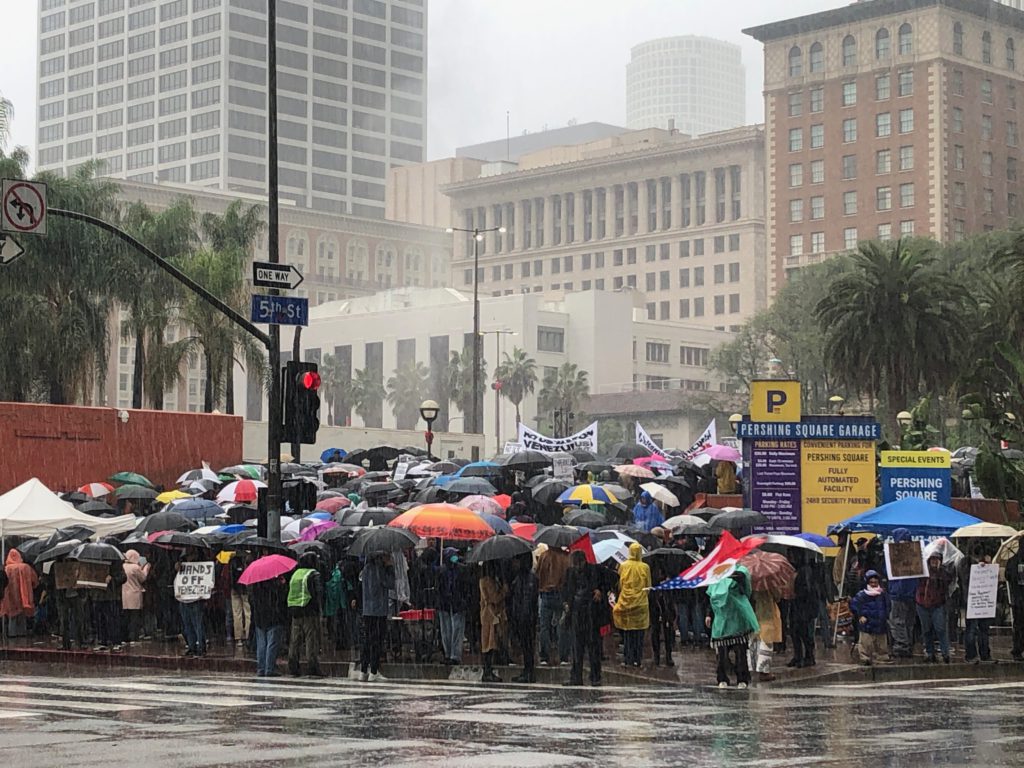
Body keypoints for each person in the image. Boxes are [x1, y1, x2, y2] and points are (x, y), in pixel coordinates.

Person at [706, 565, 758, 689]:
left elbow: (744, 584)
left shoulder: (741, 571)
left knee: (740, 651)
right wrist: (708, 614)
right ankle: (722, 677)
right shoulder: (716, 571)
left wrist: (730, 574)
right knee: (722, 652)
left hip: (737, 616)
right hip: (721, 618)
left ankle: (742, 678)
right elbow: (710, 596)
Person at [563, 550, 608, 686]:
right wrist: (566, 603)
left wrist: (600, 590)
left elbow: (610, 580)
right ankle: (576, 676)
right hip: (576, 612)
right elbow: (566, 589)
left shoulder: (595, 570)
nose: (577, 567)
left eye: (578, 564)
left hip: (590, 613)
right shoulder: (570, 572)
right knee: (577, 646)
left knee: (593, 645)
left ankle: (595, 676)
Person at [613, 542, 651, 668]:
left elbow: (619, 584)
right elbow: (648, 586)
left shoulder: (623, 566)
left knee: (628, 632)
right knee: (639, 633)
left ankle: (628, 658)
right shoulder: (645, 567)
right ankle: (637, 659)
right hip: (641, 603)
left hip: (626, 602)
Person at [287, 552, 324, 677]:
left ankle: (293, 666)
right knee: (310, 639)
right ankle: (312, 667)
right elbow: (318, 593)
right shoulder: (313, 574)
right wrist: (319, 609)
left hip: (295, 610)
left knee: (295, 640)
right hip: (309, 610)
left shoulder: (295, 574)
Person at [534, 543, 571, 667]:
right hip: (561, 594)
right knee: (562, 626)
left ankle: (544, 655)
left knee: (544, 627)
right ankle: (563, 656)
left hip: (545, 594)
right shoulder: (566, 558)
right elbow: (568, 577)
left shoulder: (544, 556)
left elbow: (537, 574)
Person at [360, 552, 394, 682]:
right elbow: (389, 583)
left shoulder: (366, 568)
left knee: (367, 640)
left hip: (367, 610)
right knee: (377, 641)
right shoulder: (380, 569)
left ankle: (363, 670)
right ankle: (373, 671)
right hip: (379, 610)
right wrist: (390, 568)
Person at [916, 553, 953, 664]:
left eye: (937, 559)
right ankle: (929, 652)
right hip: (922, 604)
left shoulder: (943, 573)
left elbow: (948, 582)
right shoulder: (922, 571)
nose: (934, 562)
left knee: (940, 629)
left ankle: (945, 652)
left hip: (937, 604)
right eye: (932, 559)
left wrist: (939, 572)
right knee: (926, 629)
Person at [849, 570, 892, 666]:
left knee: (882, 644)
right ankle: (865, 658)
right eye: (871, 582)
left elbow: (888, 605)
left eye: (875, 582)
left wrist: (885, 615)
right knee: (865, 643)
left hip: (880, 623)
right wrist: (860, 615)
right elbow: (854, 606)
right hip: (867, 624)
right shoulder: (861, 595)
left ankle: (882, 657)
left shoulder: (883, 594)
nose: (873, 584)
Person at [887, 528, 918, 658]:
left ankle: (901, 646)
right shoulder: (915, 554)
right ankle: (908, 644)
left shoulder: (895, 553)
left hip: (898, 593)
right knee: (909, 622)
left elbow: (889, 572)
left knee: (897, 621)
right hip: (912, 594)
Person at [249, 573, 288, 677]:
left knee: (261, 644)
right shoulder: (274, 585)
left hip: (260, 617)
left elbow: (252, 600)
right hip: (273, 617)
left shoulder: (255, 585)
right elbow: (281, 599)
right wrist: (282, 585)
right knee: (272, 643)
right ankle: (270, 668)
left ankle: (261, 668)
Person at [437, 547, 470, 665]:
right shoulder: (443, 571)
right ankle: (449, 654)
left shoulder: (460, 569)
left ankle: (454, 655)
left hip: (456, 602)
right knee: (447, 629)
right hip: (446, 603)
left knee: (456, 629)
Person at [960, 548, 994, 664]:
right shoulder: (965, 562)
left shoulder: (984, 562)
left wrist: (988, 567)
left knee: (984, 629)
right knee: (972, 629)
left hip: (983, 601)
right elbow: (964, 579)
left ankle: (985, 654)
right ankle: (971, 655)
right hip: (972, 601)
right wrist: (977, 567)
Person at [787, 550, 820, 668]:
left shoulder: (805, 570)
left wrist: (797, 594)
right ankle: (798, 656)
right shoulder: (795, 570)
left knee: (804, 632)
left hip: (804, 606)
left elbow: (808, 590)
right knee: (794, 631)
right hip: (796, 604)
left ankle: (808, 656)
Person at [510, 554, 539, 682]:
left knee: (527, 645)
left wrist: (523, 616)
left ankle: (529, 672)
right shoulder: (520, 577)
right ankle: (527, 671)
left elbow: (527, 598)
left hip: (526, 618)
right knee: (525, 645)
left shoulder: (529, 578)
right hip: (522, 616)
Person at [479, 561, 508, 683]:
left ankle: (487, 670)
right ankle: (487, 671)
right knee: (490, 643)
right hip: (491, 615)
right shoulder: (488, 581)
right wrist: (504, 591)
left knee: (488, 642)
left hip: (487, 614)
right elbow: (495, 598)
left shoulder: (484, 580)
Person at [748, 583, 783, 682]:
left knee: (754, 644)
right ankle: (764, 671)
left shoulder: (751, 584)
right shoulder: (770, 583)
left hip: (754, 616)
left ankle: (752, 668)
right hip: (767, 615)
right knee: (766, 645)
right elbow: (778, 596)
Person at [0, 549, 38, 638]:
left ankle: (12, 633)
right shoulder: (26, 567)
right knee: (22, 615)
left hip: (10, 596)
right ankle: (22, 633)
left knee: (12, 616)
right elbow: (35, 581)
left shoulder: (7, 568)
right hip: (24, 595)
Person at [648, 565, 677, 667]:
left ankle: (667, 656)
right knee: (656, 632)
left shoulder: (667, 583)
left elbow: (671, 598)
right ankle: (657, 656)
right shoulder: (653, 584)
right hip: (656, 609)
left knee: (667, 633)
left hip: (665, 610)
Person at [121, 549, 151, 642]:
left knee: (127, 617)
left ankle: (126, 637)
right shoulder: (135, 567)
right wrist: (146, 568)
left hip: (124, 594)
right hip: (135, 594)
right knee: (135, 617)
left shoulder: (123, 566)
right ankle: (134, 637)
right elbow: (143, 578)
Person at [229, 551, 252, 648]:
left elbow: (230, 575)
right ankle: (248, 635)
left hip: (234, 588)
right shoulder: (248, 559)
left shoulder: (232, 559)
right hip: (245, 588)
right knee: (247, 612)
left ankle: (238, 637)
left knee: (236, 613)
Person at [1007, 541, 1024, 662]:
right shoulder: (1015, 560)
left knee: (1018, 625)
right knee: (1019, 625)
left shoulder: (1012, 560)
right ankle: (1018, 649)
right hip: (1019, 597)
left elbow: (1008, 576)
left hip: (1017, 598)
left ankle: (1017, 649)